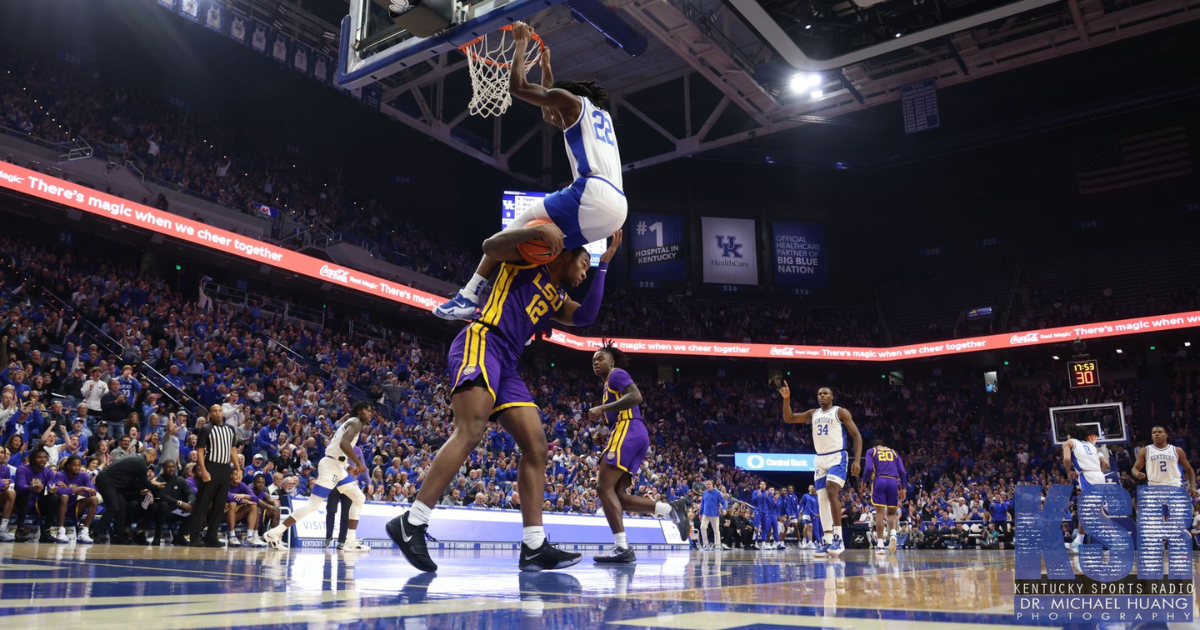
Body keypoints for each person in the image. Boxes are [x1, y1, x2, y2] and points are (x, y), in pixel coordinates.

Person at [388, 231, 623, 573]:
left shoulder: (557, 298)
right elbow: (489, 247)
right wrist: (536, 234)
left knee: (537, 446)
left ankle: (533, 545)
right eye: (583, 263)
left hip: (508, 363)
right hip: (482, 340)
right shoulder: (529, 260)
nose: (584, 273)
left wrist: (604, 264)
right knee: (471, 429)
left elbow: (585, 317)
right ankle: (412, 522)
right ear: (565, 255)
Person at [434, 20, 625, 321]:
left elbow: (519, 87)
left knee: (518, 229)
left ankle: (469, 294)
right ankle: (520, 319)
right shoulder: (599, 116)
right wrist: (547, 69)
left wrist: (520, 43)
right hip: (615, 211)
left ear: (565, 93)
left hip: (593, 192)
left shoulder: (572, 101)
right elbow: (551, 114)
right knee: (539, 251)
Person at [588, 343, 677, 564]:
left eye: (600, 358)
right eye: (593, 361)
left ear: (612, 361)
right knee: (617, 495)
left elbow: (636, 397)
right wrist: (604, 432)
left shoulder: (616, 375)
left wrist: (602, 409)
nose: (596, 362)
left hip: (628, 429)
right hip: (633, 432)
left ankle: (621, 546)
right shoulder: (609, 386)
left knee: (602, 486)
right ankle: (669, 510)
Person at [265, 402, 372, 552]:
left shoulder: (351, 422)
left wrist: (349, 467)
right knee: (313, 504)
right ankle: (275, 532)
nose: (371, 414)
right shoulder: (356, 422)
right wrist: (358, 463)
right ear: (360, 411)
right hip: (331, 467)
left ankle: (350, 540)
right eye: (368, 410)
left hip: (338, 466)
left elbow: (336, 449)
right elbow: (344, 444)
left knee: (359, 498)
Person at [779, 383, 863, 557]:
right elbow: (789, 418)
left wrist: (857, 460)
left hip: (837, 456)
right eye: (819, 394)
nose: (822, 396)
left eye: (825, 393)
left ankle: (838, 539)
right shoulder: (813, 413)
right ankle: (827, 539)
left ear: (832, 397)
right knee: (822, 498)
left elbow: (856, 435)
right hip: (820, 458)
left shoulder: (840, 412)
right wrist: (786, 400)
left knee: (832, 491)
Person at [189, 404, 239, 547]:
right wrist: (203, 470)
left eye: (219, 411)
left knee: (219, 504)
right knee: (203, 503)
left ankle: (211, 536)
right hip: (211, 467)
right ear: (210, 414)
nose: (217, 413)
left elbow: (233, 451)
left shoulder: (230, 429)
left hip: (225, 469)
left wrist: (238, 468)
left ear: (223, 412)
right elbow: (200, 451)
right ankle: (195, 536)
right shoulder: (206, 429)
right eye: (214, 411)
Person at [94, 447, 164, 544]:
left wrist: (151, 484)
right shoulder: (141, 463)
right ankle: (95, 532)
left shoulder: (137, 459)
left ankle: (117, 535)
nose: (153, 462)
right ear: (150, 456)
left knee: (122, 506)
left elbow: (138, 483)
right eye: (153, 459)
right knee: (113, 508)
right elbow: (143, 483)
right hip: (107, 481)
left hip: (113, 483)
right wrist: (156, 487)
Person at [1061, 424, 1112, 554]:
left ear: (1070, 434)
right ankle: (1078, 542)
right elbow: (1106, 464)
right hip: (1099, 476)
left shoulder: (1069, 442)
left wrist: (1068, 471)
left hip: (1087, 476)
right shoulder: (1092, 446)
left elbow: (1067, 459)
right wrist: (1097, 474)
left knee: (1098, 512)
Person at [864, 439, 906, 554]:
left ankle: (881, 544)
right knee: (892, 512)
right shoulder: (894, 453)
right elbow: (902, 471)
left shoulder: (871, 451)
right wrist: (904, 487)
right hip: (893, 481)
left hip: (879, 480)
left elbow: (868, 468)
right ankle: (893, 533)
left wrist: (863, 481)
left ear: (875, 446)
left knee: (879, 514)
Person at [1133, 426, 1199, 497]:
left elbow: (1189, 470)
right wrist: (1137, 473)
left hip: (1174, 487)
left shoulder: (1177, 450)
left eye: (1160, 432)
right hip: (1154, 489)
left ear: (1166, 435)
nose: (1156, 434)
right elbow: (1135, 468)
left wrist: (1192, 486)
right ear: (1152, 436)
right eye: (1154, 432)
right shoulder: (1145, 450)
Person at [13, 447, 58, 542]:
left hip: (39, 504)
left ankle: (46, 532)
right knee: (26, 494)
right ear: (33, 459)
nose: (43, 460)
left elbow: (51, 484)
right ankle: (19, 531)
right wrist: (31, 488)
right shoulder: (22, 469)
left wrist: (51, 490)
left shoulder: (49, 471)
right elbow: (20, 486)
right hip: (20, 503)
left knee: (54, 498)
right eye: (39, 457)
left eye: (45, 457)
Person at [52, 455, 99, 544]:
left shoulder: (83, 475)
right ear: (68, 465)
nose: (77, 467)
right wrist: (81, 488)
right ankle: (60, 530)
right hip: (59, 507)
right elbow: (59, 491)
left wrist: (71, 490)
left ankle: (84, 532)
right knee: (64, 496)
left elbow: (93, 491)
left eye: (79, 465)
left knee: (94, 499)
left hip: (74, 506)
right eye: (74, 465)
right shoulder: (60, 474)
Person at [147, 459, 193, 546]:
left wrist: (189, 503)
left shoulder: (180, 480)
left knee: (190, 512)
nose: (171, 469)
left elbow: (190, 493)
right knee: (163, 505)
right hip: (160, 512)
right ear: (163, 468)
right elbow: (162, 496)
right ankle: (157, 536)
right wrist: (180, 503)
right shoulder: (157, 480)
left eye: (172, 467)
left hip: (175, 511)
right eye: (168, 467)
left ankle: (180, 536)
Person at [698, 480, 726, 551]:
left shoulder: (717, 493)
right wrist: (700, 513)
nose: (708, 485)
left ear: (712, 485)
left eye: (709, 484)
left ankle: (717, 545)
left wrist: (725, 509)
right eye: (707, 484)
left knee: (716, 530)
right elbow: (702, 504)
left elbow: (723, 502)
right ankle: (706, 544)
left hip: (714, 514)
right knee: (702, 527)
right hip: (705, 514)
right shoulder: (704, 493)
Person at [799, 484, 819, 550]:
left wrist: (817, 513)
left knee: (810, 528)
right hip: (806, 513)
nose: (812, 488)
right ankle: (804, 540)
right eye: (810, 487)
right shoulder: (806, 496)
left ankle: (810, 542)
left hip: (813, 515)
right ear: (808, 489)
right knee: (806, 526)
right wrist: (799, 511)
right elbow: (802, 504)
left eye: (813, 487)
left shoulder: (816, 497)